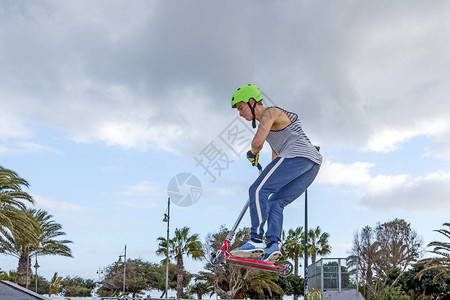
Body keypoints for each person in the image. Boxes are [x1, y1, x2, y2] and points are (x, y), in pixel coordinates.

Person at [229, 84, 322, 263]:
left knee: (256, 191)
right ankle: (273, 245)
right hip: (311, 163)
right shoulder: (273, 130)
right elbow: (277, 157)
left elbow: (257, 143)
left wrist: (253, 154)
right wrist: (266, 176)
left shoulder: (270, 113)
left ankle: (255, 240)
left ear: (251, 102)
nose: (240, 114)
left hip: (298, 155)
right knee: (275, 202)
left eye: (241, 108)